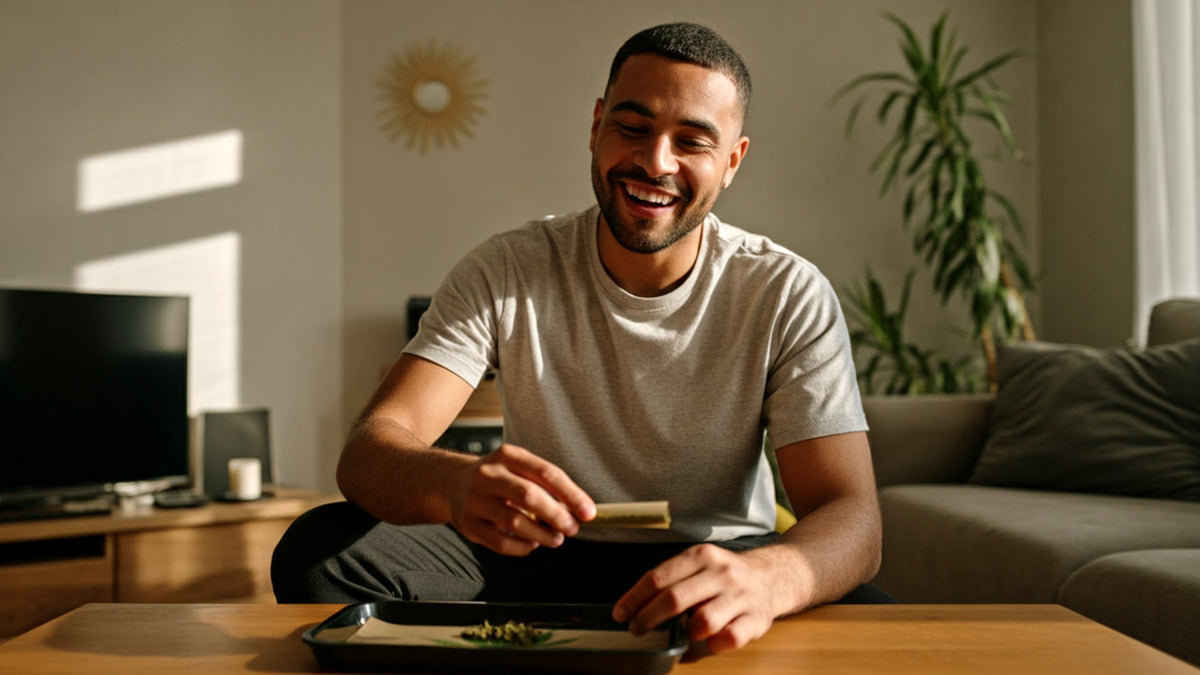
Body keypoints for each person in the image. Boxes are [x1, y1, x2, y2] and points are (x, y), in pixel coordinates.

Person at [272, 21, 887, 654]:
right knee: (320, 550)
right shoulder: (507, 267)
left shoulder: (786, 290)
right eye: (633, 127)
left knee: (874, 617)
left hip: (714, 559)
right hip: (539, 556)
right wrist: (455, 486)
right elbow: (370, 452)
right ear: (596, 126)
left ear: (732, 162)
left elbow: (853, 516)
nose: (656, 162)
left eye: (693, 141)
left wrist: (768, 578)